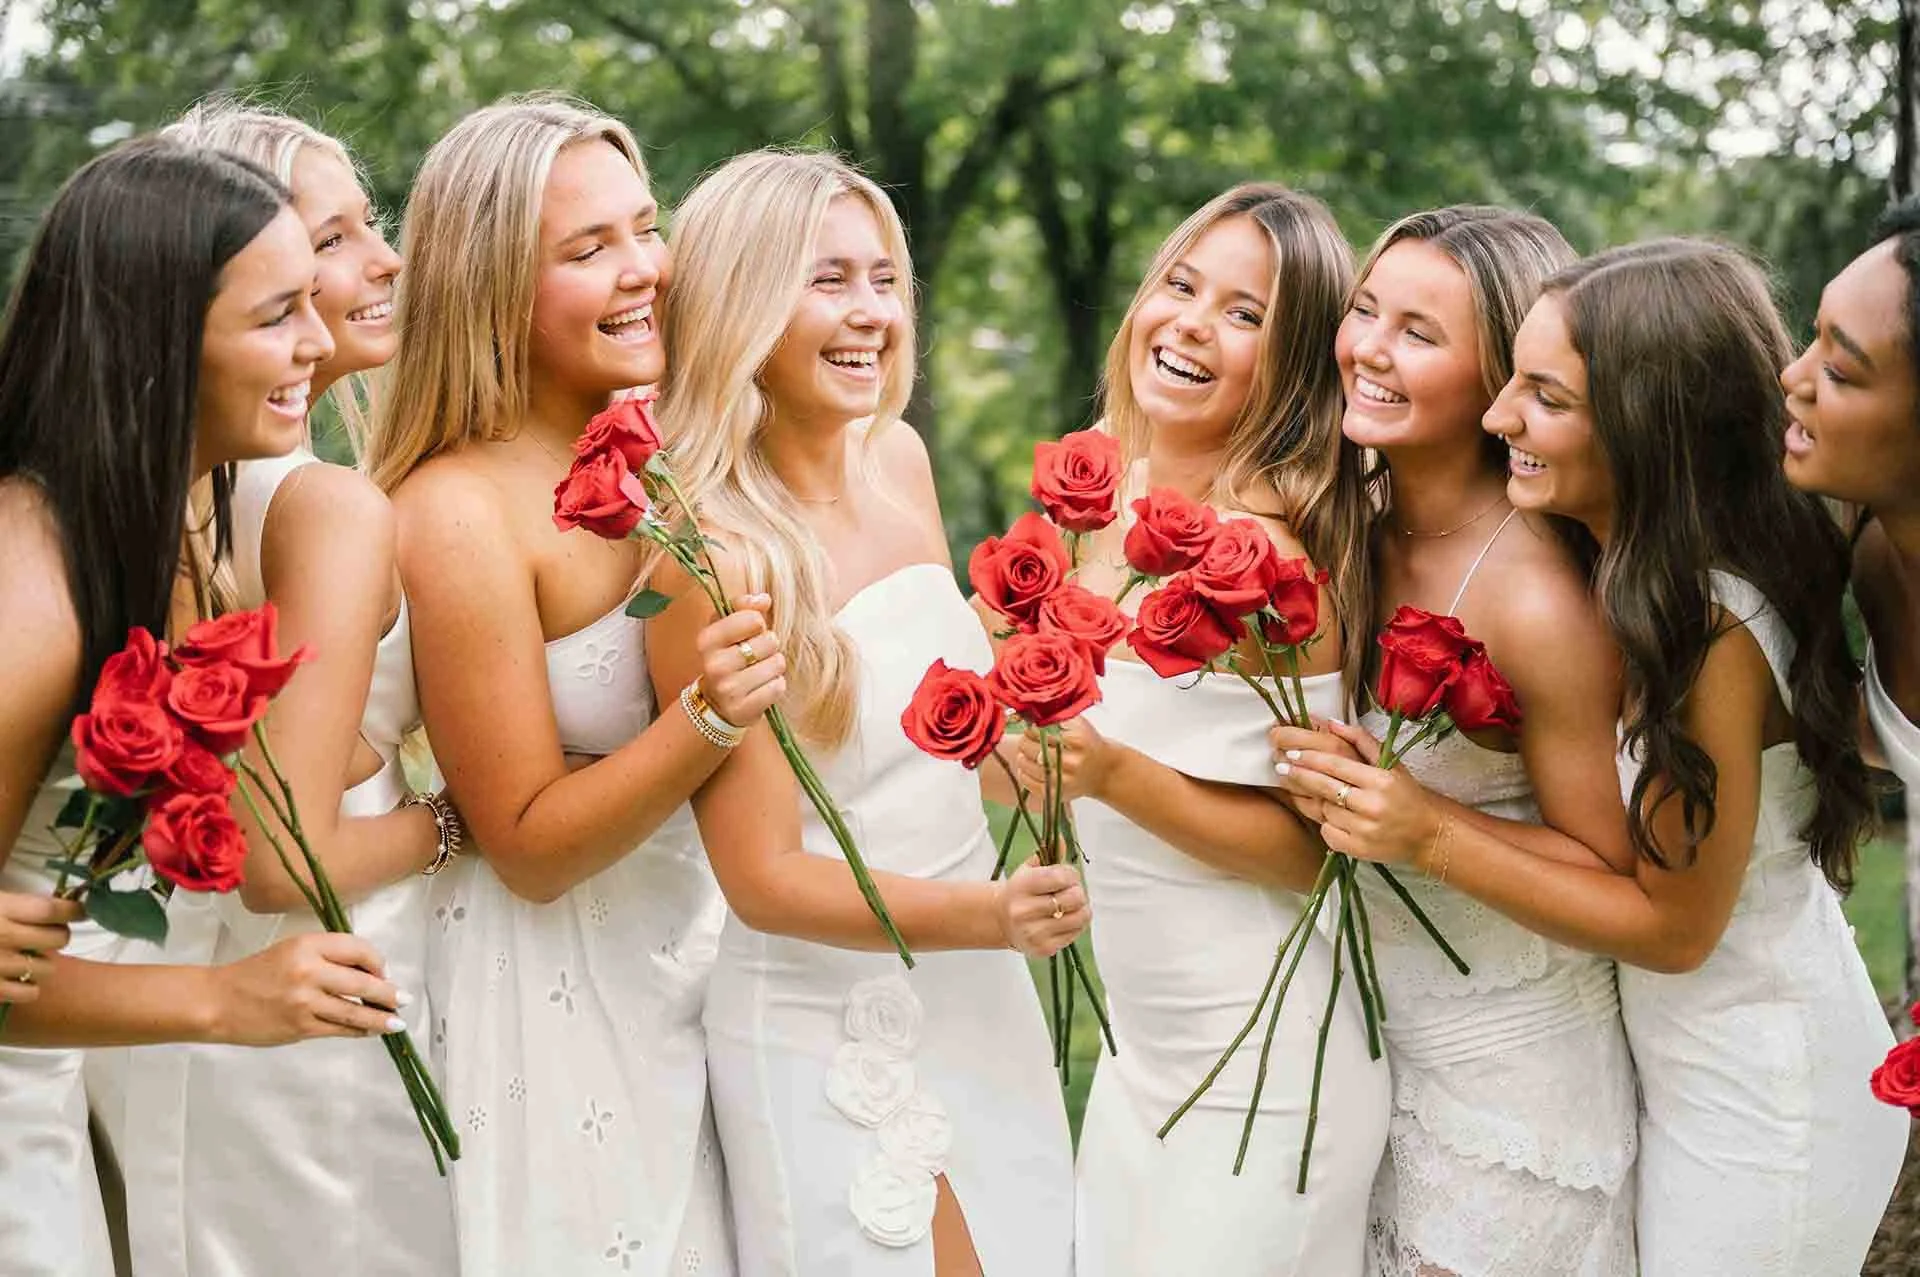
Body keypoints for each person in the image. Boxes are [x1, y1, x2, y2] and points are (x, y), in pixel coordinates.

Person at [1282, 238, 1907, 1274]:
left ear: (1648, 420)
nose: (1498, 417)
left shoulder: (1713, 627)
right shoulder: (1652, 586)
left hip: (1765, 1091)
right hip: (1680, 1067)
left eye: (1545, 396)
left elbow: (1673, 926)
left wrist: (1427, 827)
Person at [368, 96, 783, 1275]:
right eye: (587, 249)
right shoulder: (457, 508)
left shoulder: (664, 455)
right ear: (493, 283)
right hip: (550, 999)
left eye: (642, 229)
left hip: (694, 961)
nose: (642, 269)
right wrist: (708, 717)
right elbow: (530, 845)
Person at [650, 148, 1082, 1275]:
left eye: (884, 278)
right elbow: (761, 876)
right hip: (820, 1008)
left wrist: (1054, 745)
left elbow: (934, 737)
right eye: (827, 279)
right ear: (742, 300)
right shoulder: (709, 546)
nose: (872, 313)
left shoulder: (901, 459)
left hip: (975, 988)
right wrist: (991, 913)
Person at [0, 137, 408, 1277]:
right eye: (279, 314)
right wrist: (224, 999)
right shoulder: (32, 587)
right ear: (159, 338)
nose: (320, 342)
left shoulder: (175, 520)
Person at [114, 102, 458, 1277]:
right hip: (317, 994)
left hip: (215, 980)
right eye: (333, 239)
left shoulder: (198, 499)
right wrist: (463, 818)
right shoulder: (317, 507)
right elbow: (280, 859)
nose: (386, 259)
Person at [1017, 183, 1388, 1275]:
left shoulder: (1268, 557)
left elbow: (1316, 848)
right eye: (1180, 285)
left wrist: (1113, 773)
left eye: (1243, 313)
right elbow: (1036, 780)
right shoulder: (1096, 500)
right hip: (1141, 1058)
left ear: (1296, 362)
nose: (1188, 322)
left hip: (1264, 1062)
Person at [1274, 208, 1640, 1276]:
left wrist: (1427, 825)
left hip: (1510, 1088)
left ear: (1504, 375)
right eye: (1364, 311)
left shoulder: (1536, 597)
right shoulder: (1353, 519)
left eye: (1419, 333)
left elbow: (1619, 878)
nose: (1368, 349)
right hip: (1372, 1060)